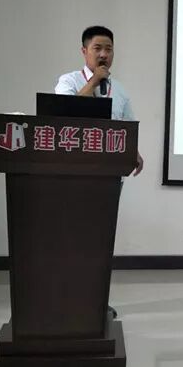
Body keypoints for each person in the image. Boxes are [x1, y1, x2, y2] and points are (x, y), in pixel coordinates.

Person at [55, 25, 144, 318]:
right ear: (84, 51)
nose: (104, 54)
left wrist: (134, 152)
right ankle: (66, 300)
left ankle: (93, 303)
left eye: (109, 49)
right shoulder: (68, 81)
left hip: (108, 178)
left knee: (99, 243)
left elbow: (127, 127)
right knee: (71, 240)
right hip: (72, 178)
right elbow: (62, 114)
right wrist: (94, 81)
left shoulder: (120, 91)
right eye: (98, 48)